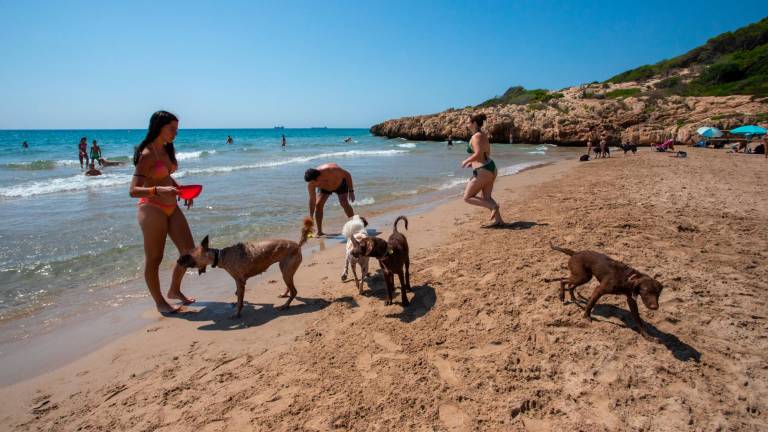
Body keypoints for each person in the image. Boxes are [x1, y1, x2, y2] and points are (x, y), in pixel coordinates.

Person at [129, 111, 196, 314]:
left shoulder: (166, 149)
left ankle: (174, 290)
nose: (175, 133)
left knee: (189, 252)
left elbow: (164, 177)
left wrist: (181, 189)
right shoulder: (147, 154)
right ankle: (160, 302)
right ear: (159, 127)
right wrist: (158, 190)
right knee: (155, 258)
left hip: (172, 206)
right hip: (151, 208)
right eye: (172, 129)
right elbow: (133, 190)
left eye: (177, 129)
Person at [462, 113, 504, 227]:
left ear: (474, 123)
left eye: (468, 122)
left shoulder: (476, 137)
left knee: (467, 197)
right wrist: (472, 163)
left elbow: (478, 153)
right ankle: (499, 221)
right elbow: (486, 154)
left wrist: (466, 161)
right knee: (487, 197)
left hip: (483, 170)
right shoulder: (482, 135)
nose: (466, 124)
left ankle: (493, 207)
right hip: (490, 168)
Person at [304, 164, 355, 236]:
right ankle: (320, 232)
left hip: (340, 184)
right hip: (325, 188)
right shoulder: (311, 184)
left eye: (314, 181)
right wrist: (311, 217)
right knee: (318, 205)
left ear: (318, 176)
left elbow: (347, 175)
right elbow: (312, 200)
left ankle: (354, 226)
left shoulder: (332, 169)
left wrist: (351, 190)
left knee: (344, 203)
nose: (313, 183)